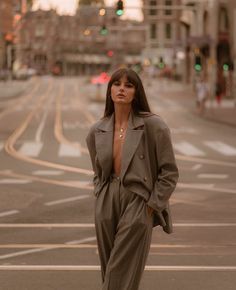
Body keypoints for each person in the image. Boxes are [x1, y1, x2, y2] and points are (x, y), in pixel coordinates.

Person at [86, 68, 179, 290]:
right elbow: (97, 171)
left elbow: (169, 172)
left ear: (136, 93)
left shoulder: (154, 126)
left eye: (128, 85)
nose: (121, 89)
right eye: (117, 84)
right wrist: (100, 195)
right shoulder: (96, 130)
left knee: (121, 269)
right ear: (109, 91)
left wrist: (151, 206)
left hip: (138, 200)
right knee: (109, 266)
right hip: (107, 199)